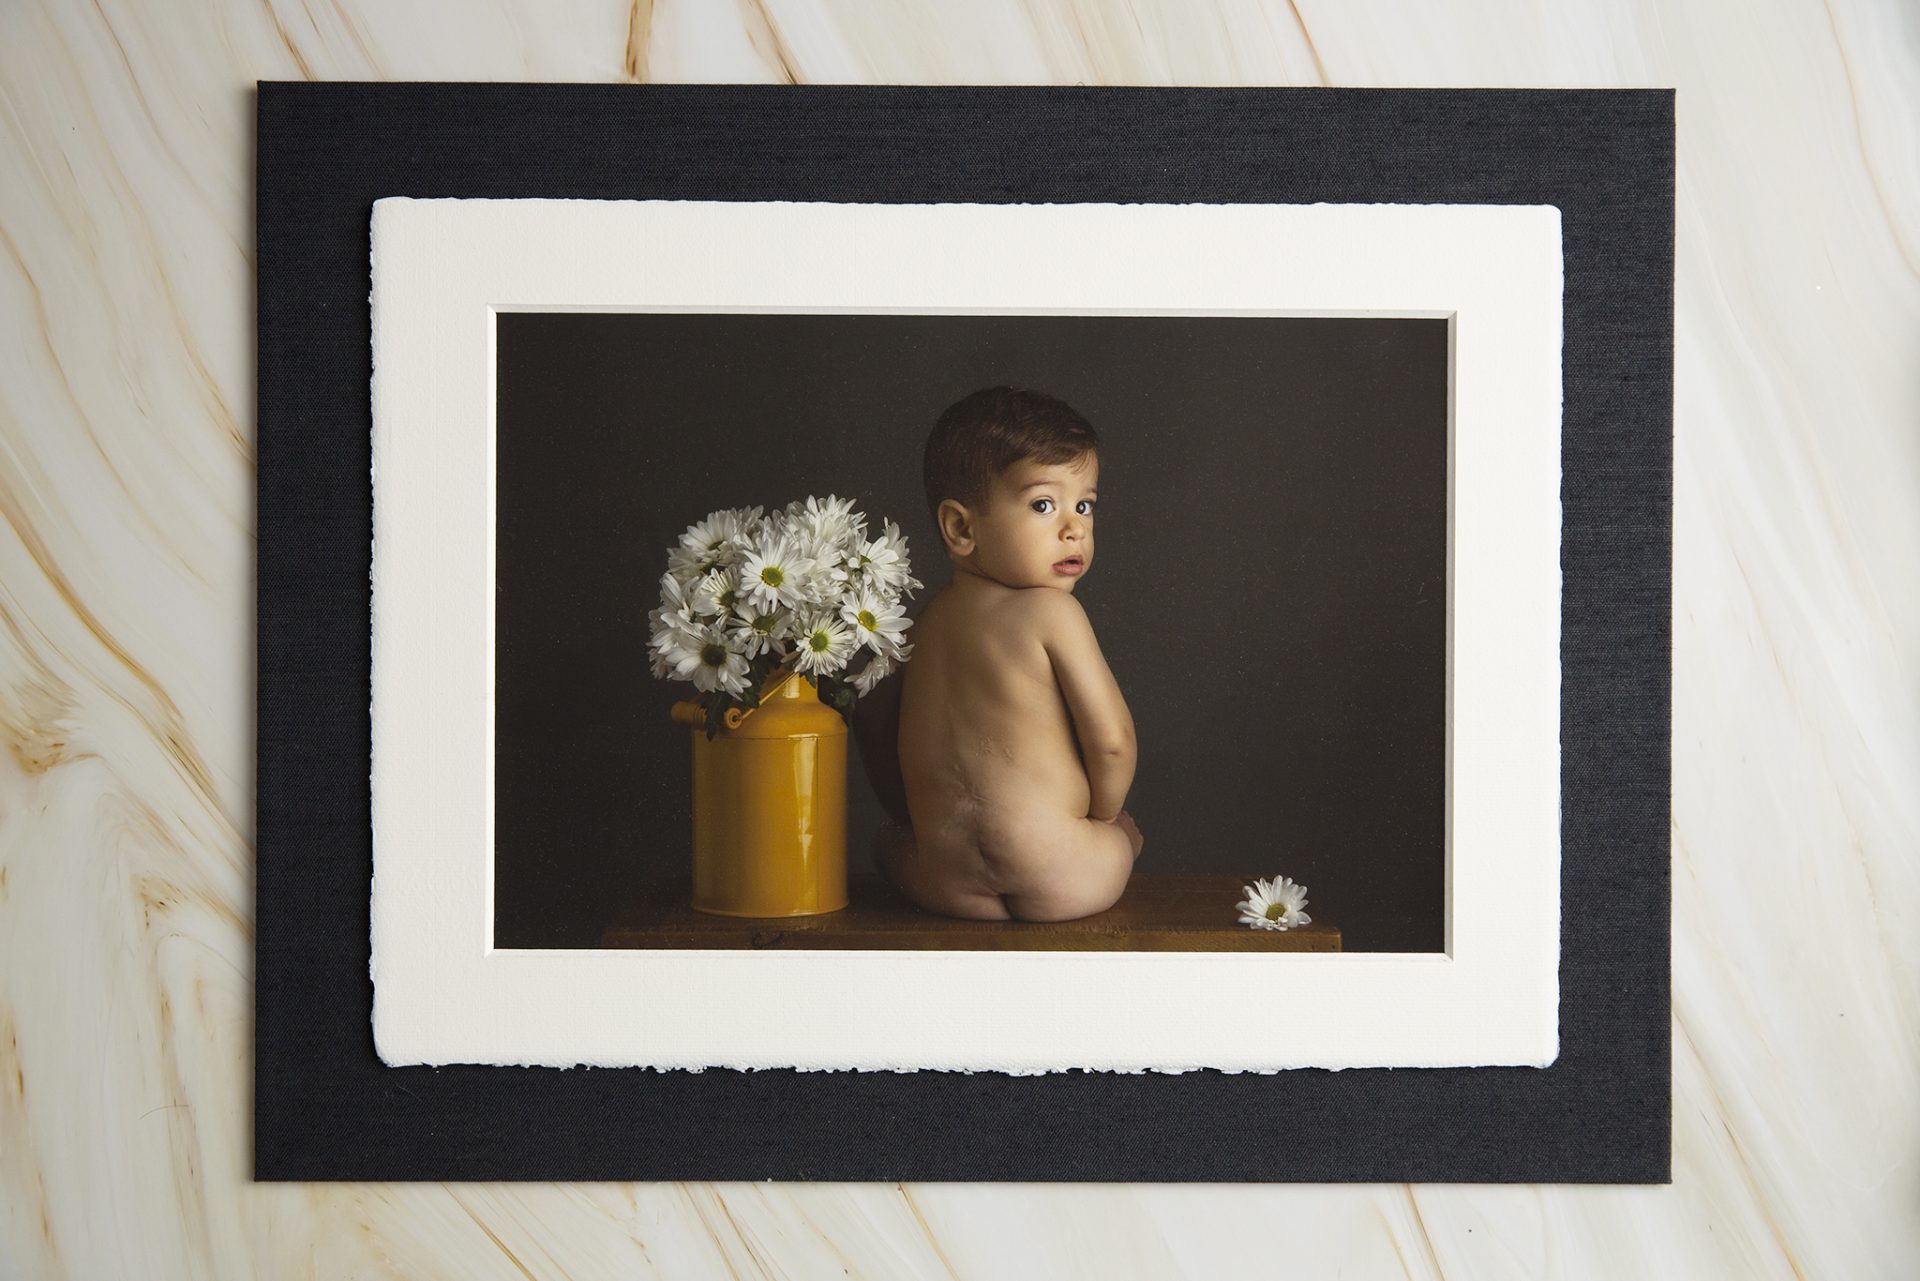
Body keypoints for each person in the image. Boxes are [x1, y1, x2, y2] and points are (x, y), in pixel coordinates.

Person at [852, 386, 1144, 921]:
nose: (1074, 527)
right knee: (1120, 839)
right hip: (1058, 873)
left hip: (948, 881)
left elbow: (869, 718)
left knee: (885, 847)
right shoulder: (1052, 614)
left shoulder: (918, 629)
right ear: (961, 528)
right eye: (1043, 505)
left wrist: (907, 818)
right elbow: (1114, 742)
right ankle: (1109, 842)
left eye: (1085, 505)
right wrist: (1103, 821)